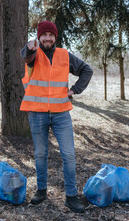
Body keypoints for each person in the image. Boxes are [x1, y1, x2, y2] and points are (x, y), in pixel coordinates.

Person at [20, 20, 93, 213]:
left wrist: (75, 90)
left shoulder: (64, 55)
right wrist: (29, 47)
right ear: (38, 37)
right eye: (43, 35)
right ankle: (41, 190)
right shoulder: (34, 53)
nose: (47, 38)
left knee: (68, 154)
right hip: (37, 113)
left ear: (55, 37)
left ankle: (71, 196)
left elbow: (87, 70)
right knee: (41, 154)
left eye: (50, 35)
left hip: (61, 114)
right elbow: (25, 56)